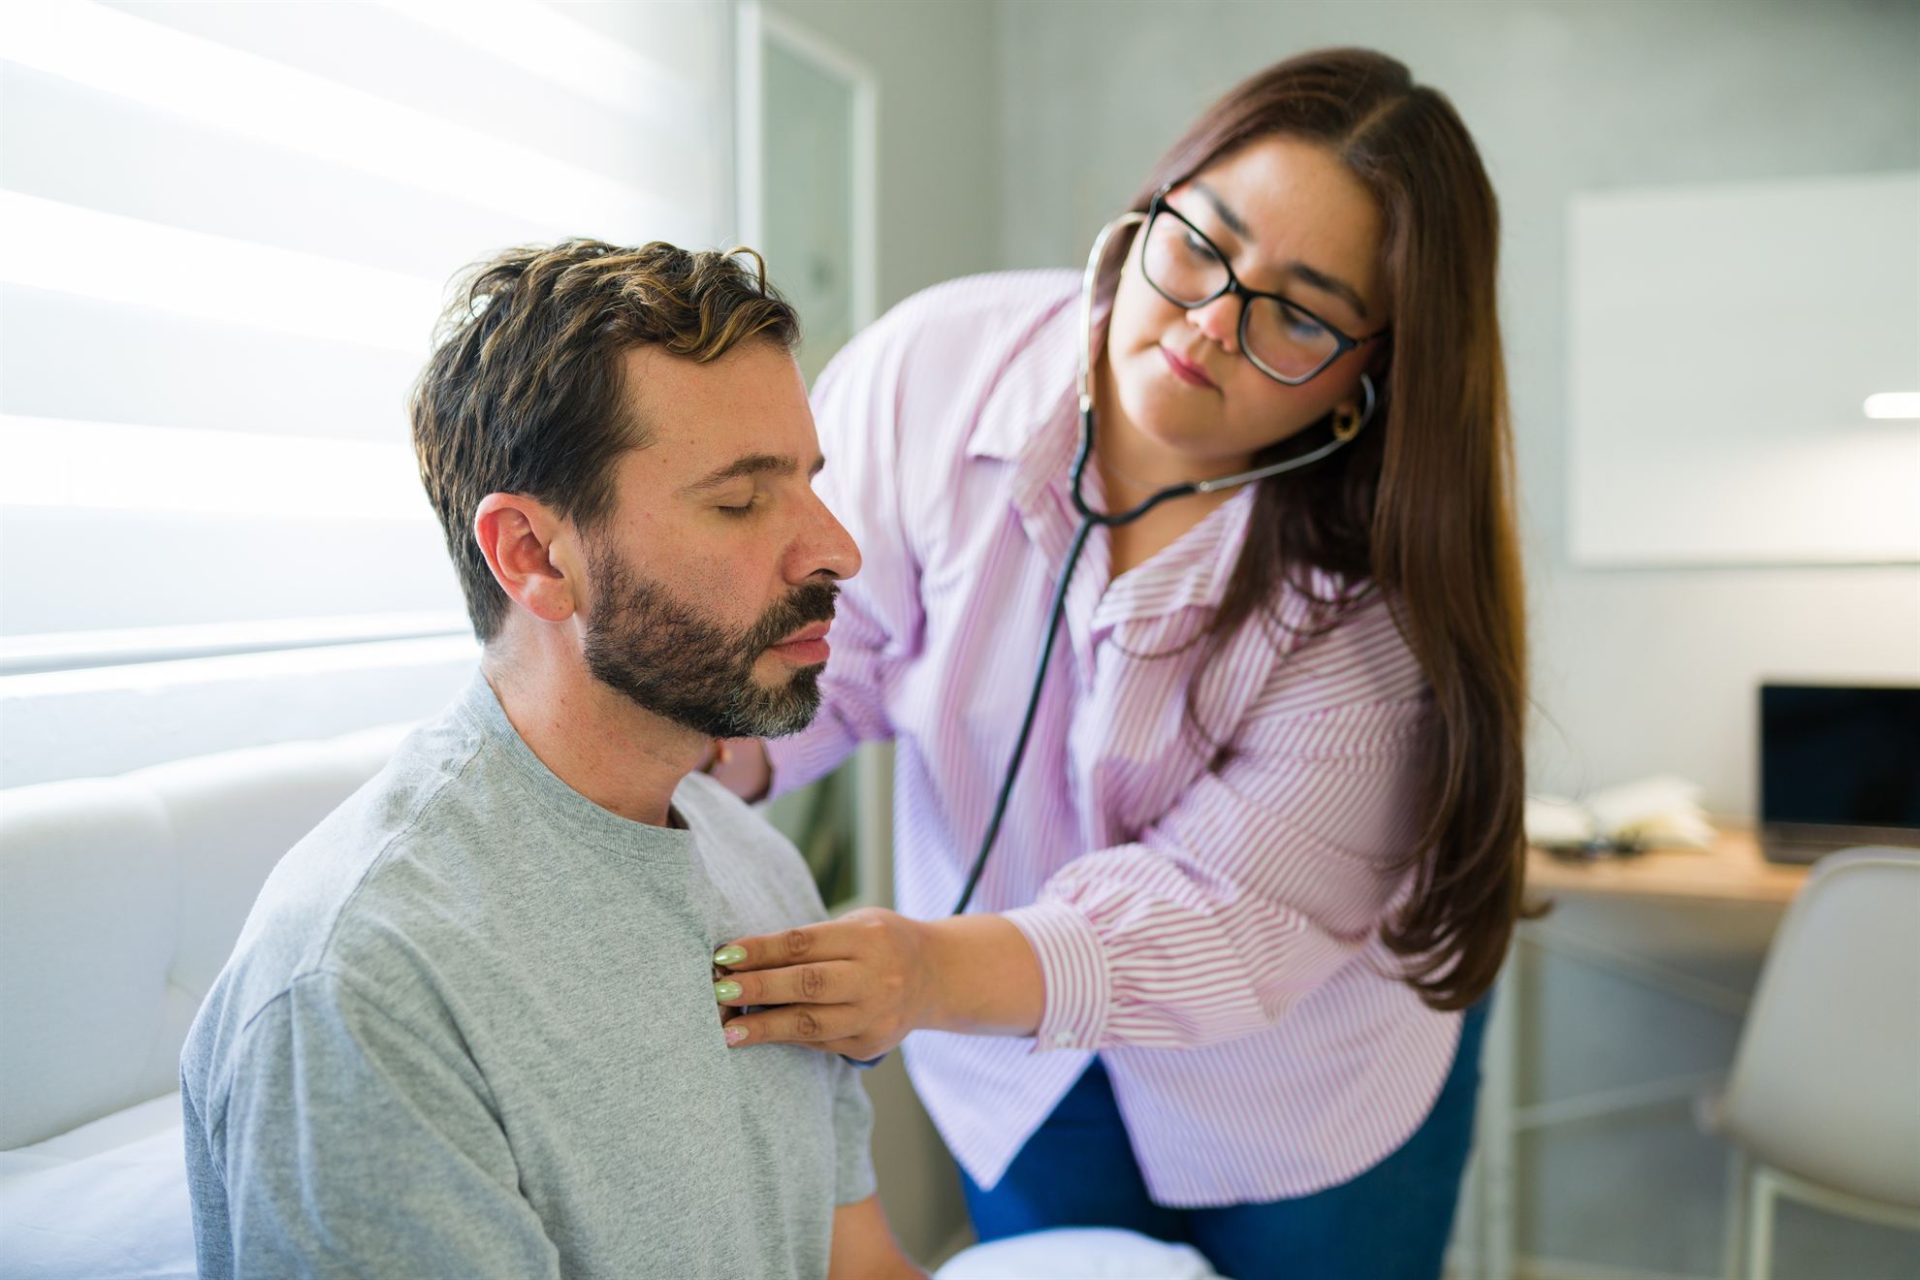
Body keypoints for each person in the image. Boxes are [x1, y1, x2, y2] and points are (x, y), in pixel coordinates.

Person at [704, 48, 1528, 1280]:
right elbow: (835, 648)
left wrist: (921, 964)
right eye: (1201, 242)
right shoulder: (933, 373)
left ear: (1376, 371)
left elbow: (1225, 914)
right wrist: (696, 754)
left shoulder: (1384, 603)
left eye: (1300, 312)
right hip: (1016, 1061)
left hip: (1303, 1080)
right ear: (1155, 201)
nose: (1207, 323)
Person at [179, 240, 921, 1280]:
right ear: (533, 555)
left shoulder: (760, 871)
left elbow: (861, 1264)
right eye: (743, 499)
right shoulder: (368, 982)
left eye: (807, 481)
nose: (837, 546)